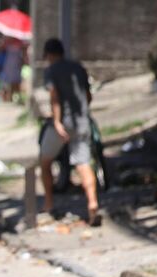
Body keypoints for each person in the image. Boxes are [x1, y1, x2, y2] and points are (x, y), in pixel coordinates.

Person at [39, 37, 100, 226]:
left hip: (63, 124)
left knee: (45, 160)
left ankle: (49, 204)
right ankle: (93, 203)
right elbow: (88, 96)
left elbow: (54, 97)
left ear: (49, 55)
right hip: (82, 122)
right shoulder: (78, 68)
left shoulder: (51, 71)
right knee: (83, 163)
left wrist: (57, 122)